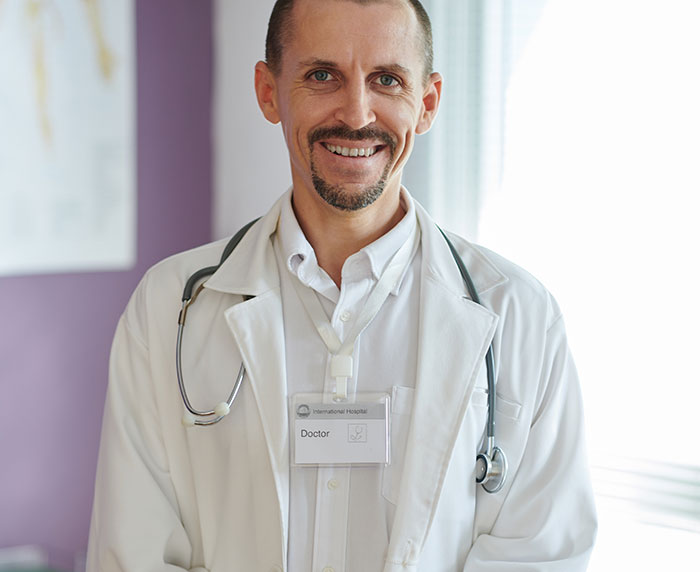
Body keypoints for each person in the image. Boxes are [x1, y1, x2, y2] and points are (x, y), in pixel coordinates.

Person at [87, 0, 597, 570]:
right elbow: (133, 554)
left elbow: (542, 555)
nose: (356, 114)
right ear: (268, 91)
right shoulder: (167, 311)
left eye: (387, 79)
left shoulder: (524, 320)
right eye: (322, 76)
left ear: (426, 103)